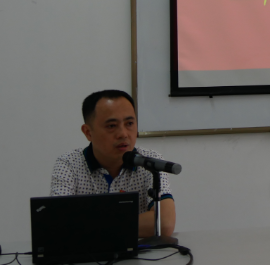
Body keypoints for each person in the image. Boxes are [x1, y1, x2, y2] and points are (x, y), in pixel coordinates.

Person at [51, 90, 176, 237]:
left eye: (129, 123)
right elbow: (58, 223)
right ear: (88, 132)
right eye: (111, 126)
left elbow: (164, 223)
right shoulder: (68, 164)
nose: (123, 134)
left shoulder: (150, 162)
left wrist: (88, 225)